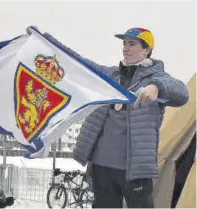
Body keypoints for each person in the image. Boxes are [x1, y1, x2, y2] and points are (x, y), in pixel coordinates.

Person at [44, 27, 189, 208]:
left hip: (135, 170)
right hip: (101, 165)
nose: (125, 48)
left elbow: (182, 93)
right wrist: (45, 41)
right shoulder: (110, 76)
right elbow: (77, 62)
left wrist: (157, 86)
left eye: (132, 44)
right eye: (124, 43)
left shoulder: (157, 78)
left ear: (147, 50)